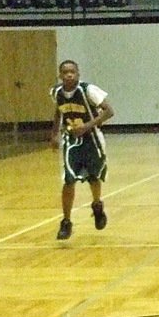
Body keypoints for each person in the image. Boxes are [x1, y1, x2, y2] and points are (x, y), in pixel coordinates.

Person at [49, 60, 114, 240]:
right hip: (71, 140)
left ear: (78, 74)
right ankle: (66, 222)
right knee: (69, 179)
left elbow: (109, 111)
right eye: (65, 72)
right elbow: (58, 112)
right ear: (60, 75)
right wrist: (54, 133)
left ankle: (97, 205)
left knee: (94, 177)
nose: (69, 75)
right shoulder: (56, 92)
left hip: (92, 139)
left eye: (72, 72)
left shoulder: (88, 90)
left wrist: (87, 126)